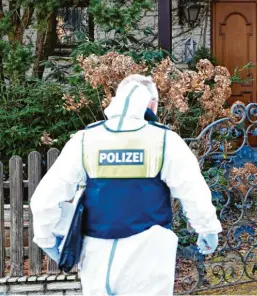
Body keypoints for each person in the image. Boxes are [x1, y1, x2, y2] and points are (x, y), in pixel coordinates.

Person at [30, 74, 222, 295]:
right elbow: (193, 191)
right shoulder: (165, 141)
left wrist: (47, 238)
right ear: (151, 103)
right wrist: (207, 228)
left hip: (96, 257)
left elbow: (45, 199)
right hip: (148, 258)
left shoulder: (84, 140)